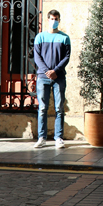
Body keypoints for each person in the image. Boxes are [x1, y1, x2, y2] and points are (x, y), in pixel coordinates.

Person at [32, 10, 71, 149]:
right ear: (47, 20)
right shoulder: (40, 37)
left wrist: (56, 71)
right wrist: (47, 72)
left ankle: (58, 138)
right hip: (43, 78)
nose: (54, 21)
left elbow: (66, 57)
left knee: (59, 108)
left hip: (59, 77)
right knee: (42, 108)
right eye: (52, 18)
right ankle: (41, 137)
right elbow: (37, 57)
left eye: (56, 18)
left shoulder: (65, 38)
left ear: (59, 20)